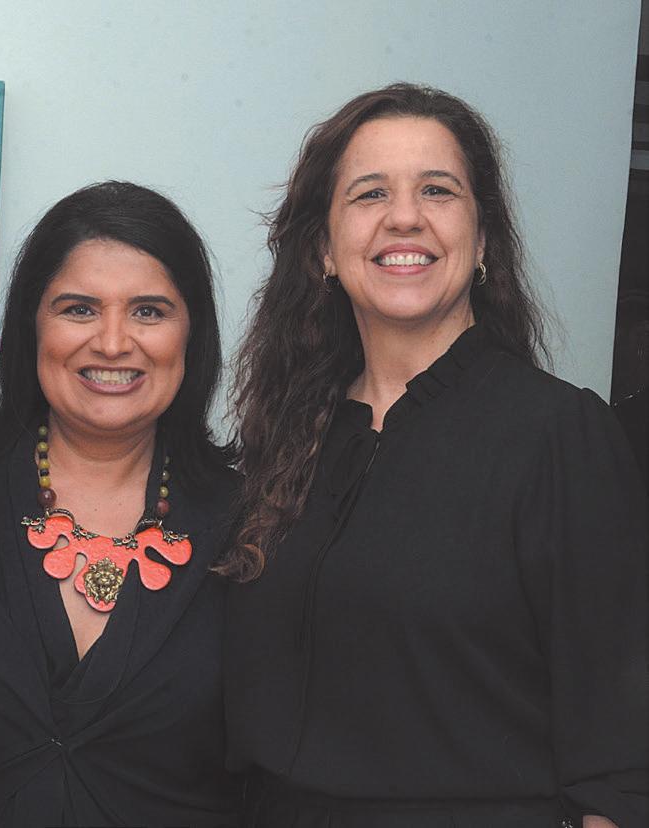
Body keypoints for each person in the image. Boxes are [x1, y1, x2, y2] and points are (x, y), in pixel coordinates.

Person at [223, 83, 648, 828]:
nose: (404, 217)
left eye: (438, 190)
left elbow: (616, 756)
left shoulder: (558, 434)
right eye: (370, 193)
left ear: (482, 242)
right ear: (323, 250)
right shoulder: (288, 437)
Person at [0, 181, 241, 827]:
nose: (112, 343)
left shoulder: (254, 522)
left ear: (192, 333)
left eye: (148, 311)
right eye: (79, 309)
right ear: (32, 324)